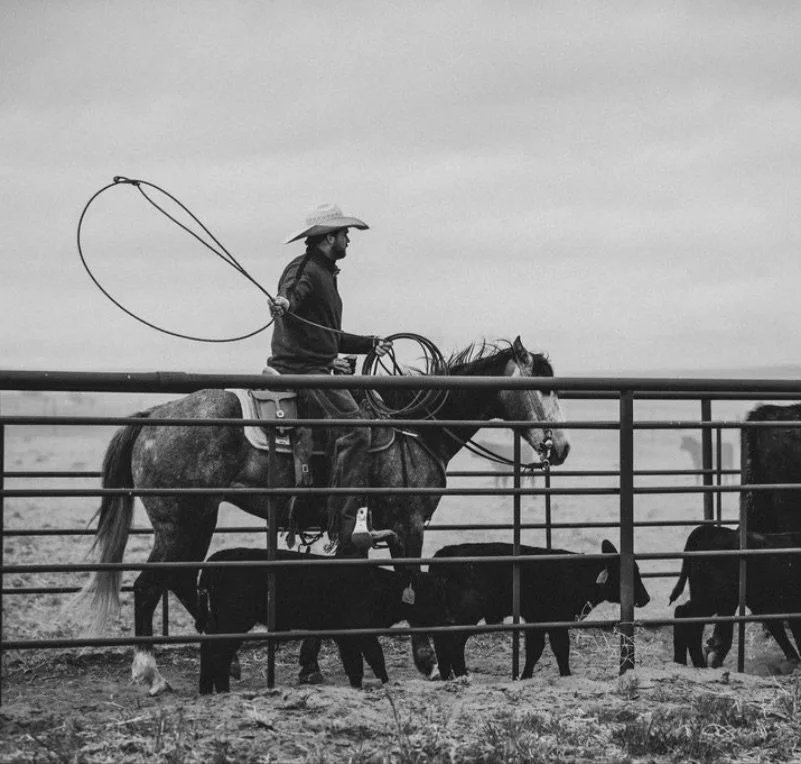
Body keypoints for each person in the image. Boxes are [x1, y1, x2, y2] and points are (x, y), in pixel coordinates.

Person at [267, 203, 392, 550]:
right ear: (328, 238)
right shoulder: (306, 269)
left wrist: (369, 344)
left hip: (315, 365)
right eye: (344, 233)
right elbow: (292, 295)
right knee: (357, 431)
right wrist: (284, 303)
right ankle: (345, 523)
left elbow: (326, 335)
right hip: (303, 371)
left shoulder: (324, 271)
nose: (348, 239)